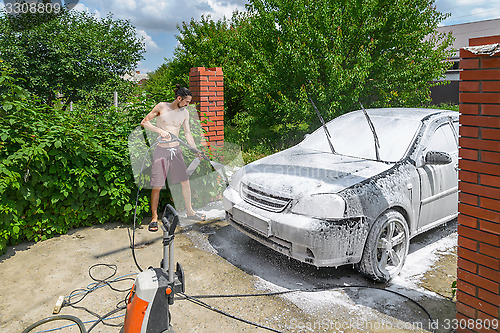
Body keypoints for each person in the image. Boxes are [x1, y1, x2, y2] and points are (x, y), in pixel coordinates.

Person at [140, 84, 206, 232]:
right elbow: (144, 122)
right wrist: (159, 130)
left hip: (176, 151)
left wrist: (195, 150)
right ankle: (154, 218)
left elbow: (187, 134)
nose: (188, 104)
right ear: (179, 98)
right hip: (161, 151)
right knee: (157, 185)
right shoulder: (162, 107)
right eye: (186, 101)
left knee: (185, 181)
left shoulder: (185, 113)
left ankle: (190, 211)